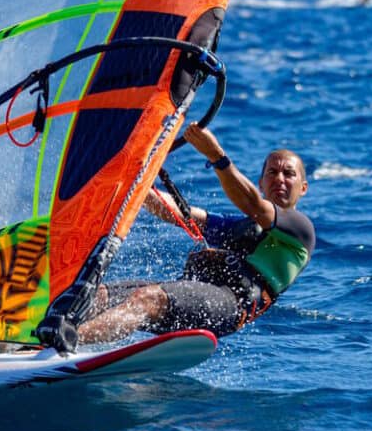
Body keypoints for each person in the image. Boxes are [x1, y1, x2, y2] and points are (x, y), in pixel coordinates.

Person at [76, 122, 316, 344]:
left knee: (148, 299)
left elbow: (253, 205)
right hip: (191, 294)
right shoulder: (243, 226)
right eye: (272, 173)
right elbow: (182, 214)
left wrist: (217, 157)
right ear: (261, 183)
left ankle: (69, 343)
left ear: (303, 188)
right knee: (98, 295)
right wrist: (131, 182)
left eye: (289, 174)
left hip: (229, 306)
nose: (280, 179)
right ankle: (55, 330)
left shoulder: (301, 230)